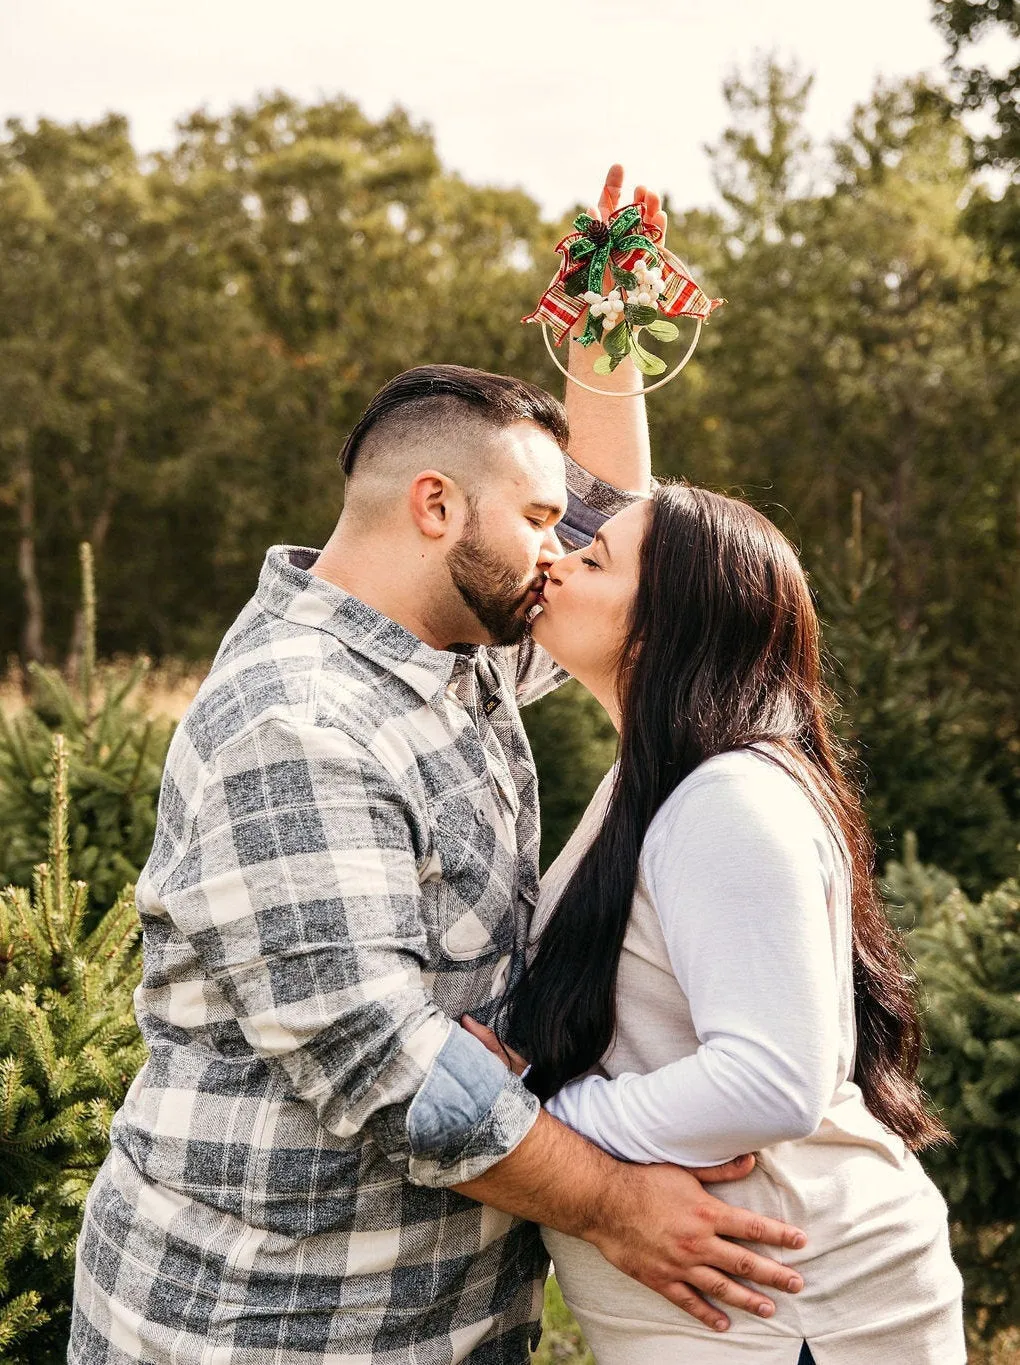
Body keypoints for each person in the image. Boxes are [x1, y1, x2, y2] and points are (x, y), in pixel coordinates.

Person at [68, 174, 810, 1365]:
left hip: (444, 1316)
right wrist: (621, 1202)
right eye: (535, 520)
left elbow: (608, 524)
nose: (559, 554)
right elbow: (384, 1065)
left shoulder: (450, 651)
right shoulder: (298, 721)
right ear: (434, 506)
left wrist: (606, 336)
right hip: (275, 1326)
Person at [470, 482, 966, 1363]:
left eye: (592, 558)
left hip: (797, 1311)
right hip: (735, 1311)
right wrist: (601, 356)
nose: (555, 559)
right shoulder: (655, 783)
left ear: (667, 624)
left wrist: (541, 1113)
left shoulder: (728, 799)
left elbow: (772, 1078)